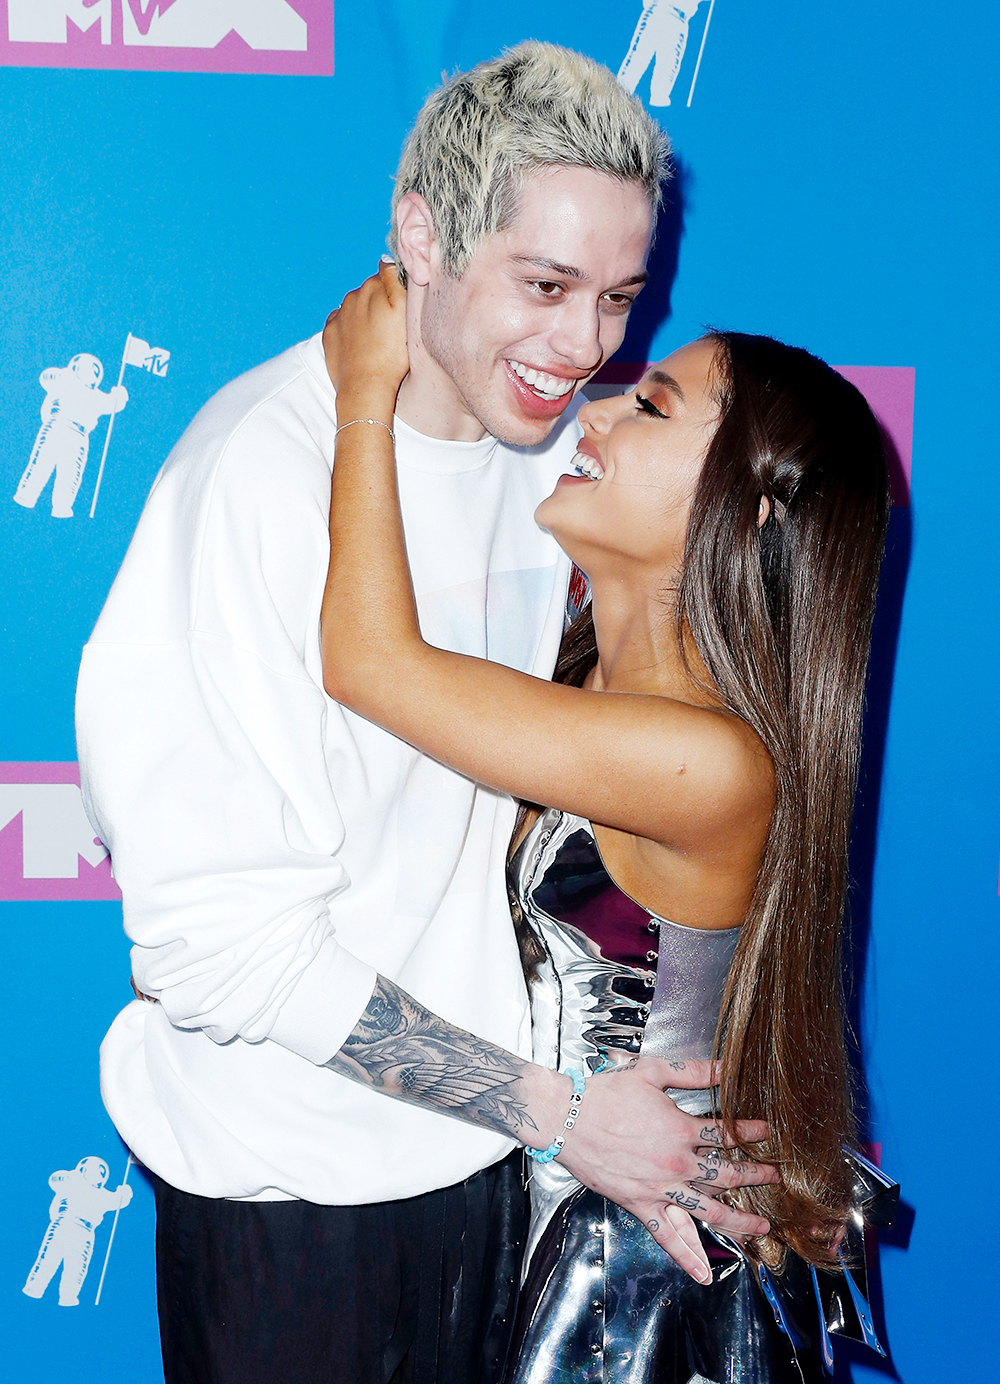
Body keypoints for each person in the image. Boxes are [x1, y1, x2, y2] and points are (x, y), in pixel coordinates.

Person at [76, 43, 779, 1384]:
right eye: (545, 284)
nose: (583, 347)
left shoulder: (558, 470)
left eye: (619, 298)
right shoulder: (264, 476)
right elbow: (218, 955)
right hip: (299, 1199)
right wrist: (559, 1115)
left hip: (492, 1175)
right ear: (422, 234)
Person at [317, 263, 895, 1382]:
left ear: (753, 505)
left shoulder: (705, 757)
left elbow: (367, 661)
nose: (594, 408)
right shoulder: (580, 679)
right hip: (534, 1225)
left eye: (651, 406)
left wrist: (361, 394)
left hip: (620, 1295)